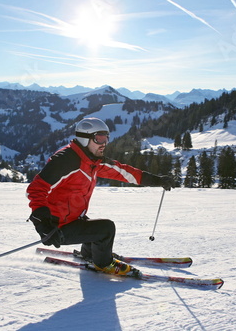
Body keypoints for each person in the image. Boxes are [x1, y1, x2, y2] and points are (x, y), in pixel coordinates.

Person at [26, 117, 174, 275]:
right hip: (55, 228)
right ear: (84, 139)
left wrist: (157, 180)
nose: (104, 143)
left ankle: (90, 254)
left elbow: (124, 172)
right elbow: (36, 188)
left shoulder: (92, 162)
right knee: (106, 229)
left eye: (106, 138)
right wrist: (42, 222)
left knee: (91, 225)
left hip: (72, 219)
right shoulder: (66, 161)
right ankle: (103, 264)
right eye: (99, 138)